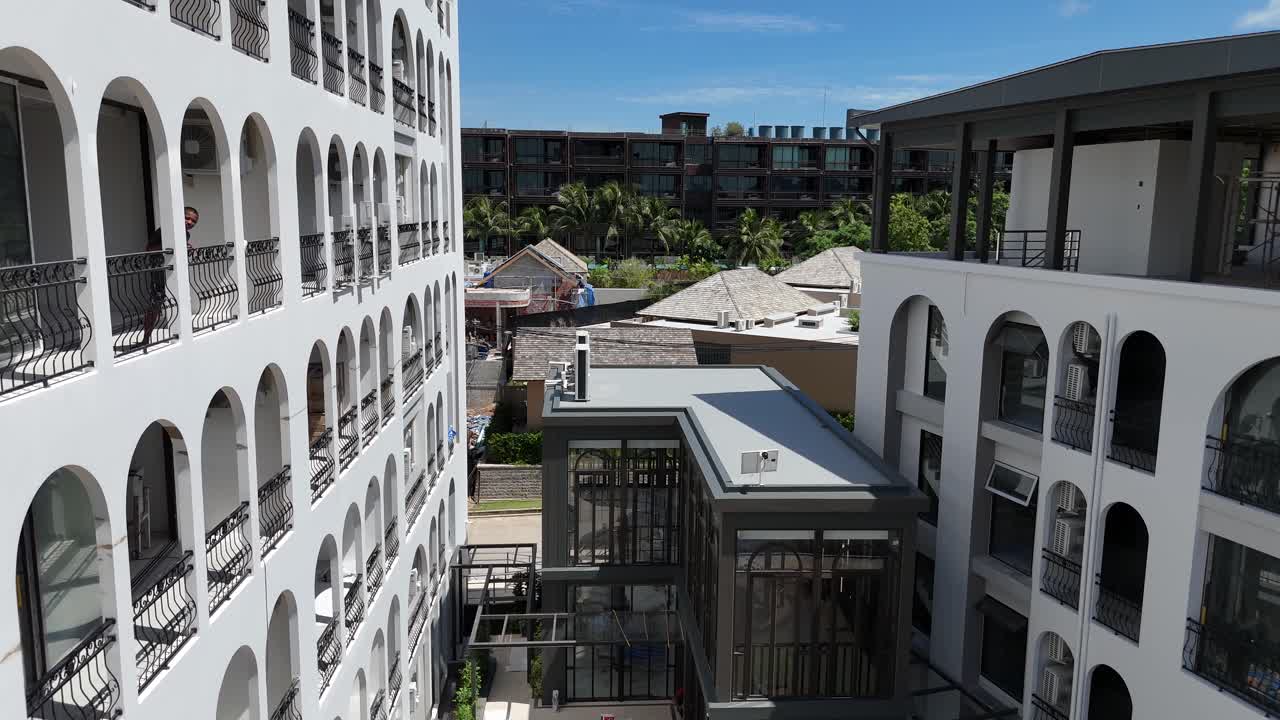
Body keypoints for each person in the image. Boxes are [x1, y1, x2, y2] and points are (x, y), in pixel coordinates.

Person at [138, 207, 200, 347]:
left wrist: (187, 248)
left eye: (193, 221)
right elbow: (149, 248)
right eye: (187, 218)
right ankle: (145, 339)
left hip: (175, 274)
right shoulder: (165, 230)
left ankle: (182, 334)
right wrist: (176, 246)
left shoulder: (186, 234)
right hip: (160, 271)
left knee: (181, 302)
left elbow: (179, 250)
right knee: (155, 305)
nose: (190, 222)